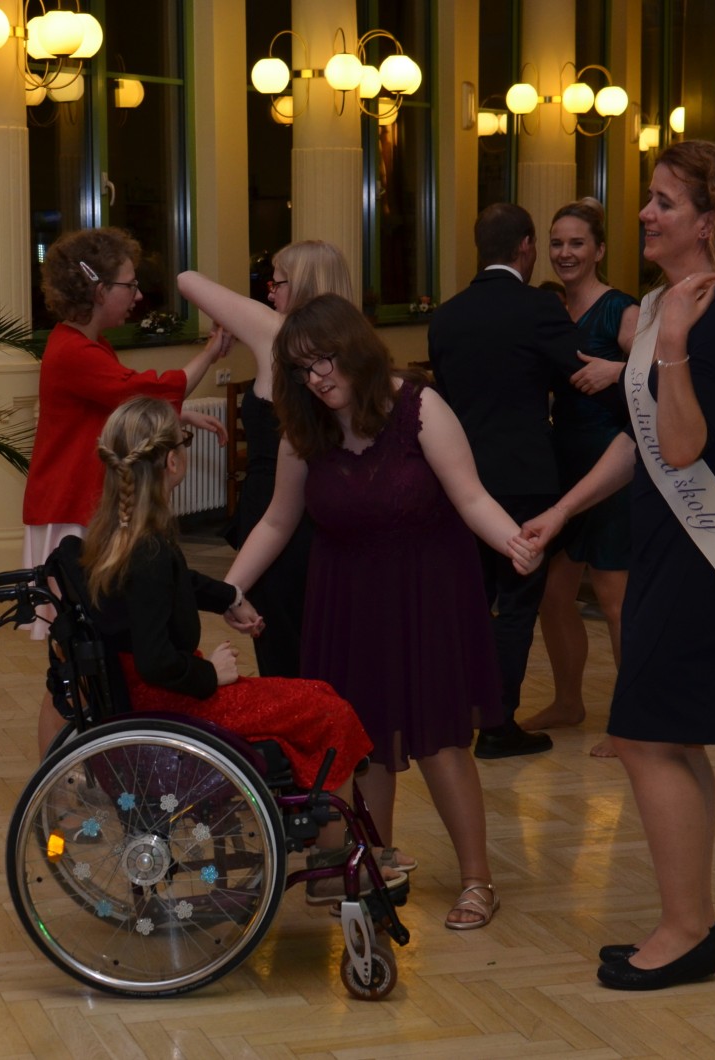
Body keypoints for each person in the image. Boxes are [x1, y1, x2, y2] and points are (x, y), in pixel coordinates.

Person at [519, 141, 715, 989]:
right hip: (667, 535)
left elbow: (682, 445)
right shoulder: (669, 303)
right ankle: (693, 922)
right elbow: (642, 446)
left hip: (702, 546)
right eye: (649, 198)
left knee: (645, 737)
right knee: (669, 737)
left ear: (711, 222)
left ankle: (686, 930)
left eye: (665, 202)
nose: (645, 213)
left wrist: (671, 341)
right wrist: (565, 510)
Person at [225, 294, 542, 930]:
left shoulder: (419, 407)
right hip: (345, 601)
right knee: (360, 743)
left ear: (355, 348)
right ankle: (374, 868)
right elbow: (277, 522)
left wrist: (514, 541)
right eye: (303, 369)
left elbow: (471, 496)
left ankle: (477, 880)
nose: (317, 379)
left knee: (441, 741)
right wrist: (228, 589)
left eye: (324, 360)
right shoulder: (303, 430)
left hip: (428, 594)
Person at [78, 396, 403, 900]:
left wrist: (229, 596)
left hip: (150, 699)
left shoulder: (113, 536)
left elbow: (175, 584)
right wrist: (213, 675)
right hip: (176, 702)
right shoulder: (148, 550)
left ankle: (328, 843)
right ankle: (329, 866)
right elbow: (157, 660)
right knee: (330, 713)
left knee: (317, 696)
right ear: (171, 461)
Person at [21, 226, 231, 748]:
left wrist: (181, 416)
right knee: (69, 666)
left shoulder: (86, 344)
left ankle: (78, 765)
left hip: (79, 511)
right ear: (99, 291)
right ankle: (54, 774)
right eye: (129, 285)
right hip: (69, 514)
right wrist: (209, 353)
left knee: (83, 660)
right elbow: (137, 391)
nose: (137, 295)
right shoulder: (74, 351)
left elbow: (123, 405)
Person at [427, 203, 598, 760]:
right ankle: (499, 725)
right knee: (519, 603)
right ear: (526, 246)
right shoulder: (538, 307)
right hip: (526, 476)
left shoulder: (446, 316)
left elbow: (445, 397)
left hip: (462, 478)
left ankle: (462, 712)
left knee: (473, 602)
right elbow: (580, 372)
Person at [176, 240, 354, 679]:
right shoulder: (352, 346)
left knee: (285, 651)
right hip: (335, 510)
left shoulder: (275, 331)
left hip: (276, 515)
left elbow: (186, 280)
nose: (270, 294)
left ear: (302, 284)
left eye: (276, 283)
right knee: (332, 646)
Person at [520, 198, 640, 760]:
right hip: (562, 465)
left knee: (615, 598)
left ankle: (633, 721)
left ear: (599, 250)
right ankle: (569, 702)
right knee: (552, 592)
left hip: (613, 464)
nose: (565, 253)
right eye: (557, 243)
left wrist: (618, 369)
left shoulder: (621, 310)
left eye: (576, 243)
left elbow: (663, 374)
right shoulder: (550, 310)